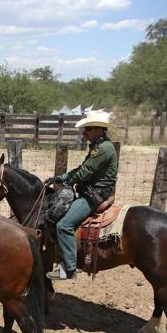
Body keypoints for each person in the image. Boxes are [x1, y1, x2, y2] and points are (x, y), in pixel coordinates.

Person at [46, 108, 118, 280]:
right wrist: (62, 177)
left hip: (94, 195)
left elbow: (85, 173)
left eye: (87, 129)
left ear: (99, 130)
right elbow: (82, 169)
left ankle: (69, 268)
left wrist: (67, 182)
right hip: (93, 191)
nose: (84, 133)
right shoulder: (99, 146)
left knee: (64, 225)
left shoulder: (102, 149)